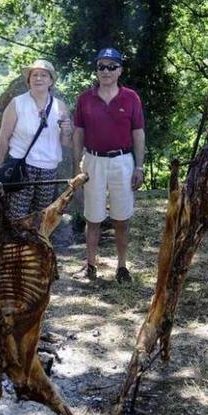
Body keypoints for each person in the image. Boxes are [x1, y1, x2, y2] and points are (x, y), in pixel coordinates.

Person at [72, 47, 145, 283]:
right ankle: (90, 265)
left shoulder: (131, 97)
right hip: (93, 161)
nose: (106, 71)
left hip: (123, 161)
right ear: (96, 70)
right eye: (101, 66)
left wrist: (139, 167)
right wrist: (77, 165)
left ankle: (122, 267)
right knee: (92, 217)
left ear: (120, 70)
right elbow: (78, 133)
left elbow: (139, 133)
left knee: (121, 219)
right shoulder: (85, 98)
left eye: (112, 66)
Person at [0, 59, 73, 219]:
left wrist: (67, 131)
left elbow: (65, 142)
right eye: (34, 75)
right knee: (16, 216)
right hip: (22, 168)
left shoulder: (60, 106)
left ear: (51, 80)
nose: (38, 78)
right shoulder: (17, 104)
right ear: (28, 80)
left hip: (48, 169)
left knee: (41, 217)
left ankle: (34, 245)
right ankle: (15, 244)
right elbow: (3, 138)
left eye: (44, 75)